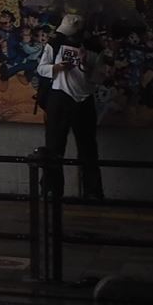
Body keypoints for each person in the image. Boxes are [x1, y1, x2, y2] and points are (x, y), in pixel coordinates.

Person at [37, 12, 106, 200]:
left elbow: (99, 78)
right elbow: (41, 68)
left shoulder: (94, 50)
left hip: (84, 100)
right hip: (59, 97)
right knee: (54, 146)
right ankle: (51, 191)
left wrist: (86, 65)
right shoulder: (55, 44)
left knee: (88, 148)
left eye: (71, 33)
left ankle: (92, 192)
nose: (68, 36)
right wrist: (56, 68)